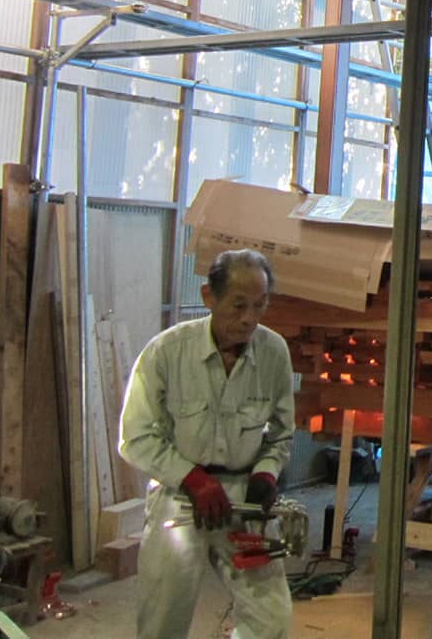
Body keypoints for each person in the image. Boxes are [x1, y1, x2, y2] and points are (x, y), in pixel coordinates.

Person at [118, 248, 295, 639]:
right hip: (179, 496)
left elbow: (282, 433)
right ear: (208, 298)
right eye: (238, 305)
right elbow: (136, 438)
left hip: (244, 499)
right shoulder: (166, 353)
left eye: (260, 305)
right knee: (162, 620)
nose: (249, 318)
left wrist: (266, 473)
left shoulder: (274, 353)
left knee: (273, 620)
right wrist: (192, 479)